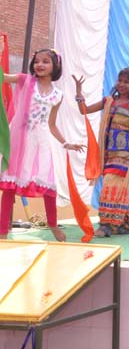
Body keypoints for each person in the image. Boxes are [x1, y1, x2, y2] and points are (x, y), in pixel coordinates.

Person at [0, 49, 84, 241]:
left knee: (48, 185)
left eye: (45, 61)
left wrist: (66, 142)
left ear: (55, 67)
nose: (40, 65)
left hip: (42, 142)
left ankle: (53, 225)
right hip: (19, 140)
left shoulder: (58, 95)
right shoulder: (25, 80)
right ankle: (2, 232)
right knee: (10, 186)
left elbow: (51, 124)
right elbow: (3, 77)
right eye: (37, 61)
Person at [73, 68, 129, 237]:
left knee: (110, 185)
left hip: (122, 155)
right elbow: (84, 110)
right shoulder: (108, 101)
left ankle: (106, 225)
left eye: (127, 82)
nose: (121, 84)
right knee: (116, 188)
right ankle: (125, 224)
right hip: (106, 153)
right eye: (120, 80)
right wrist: (78, 93)